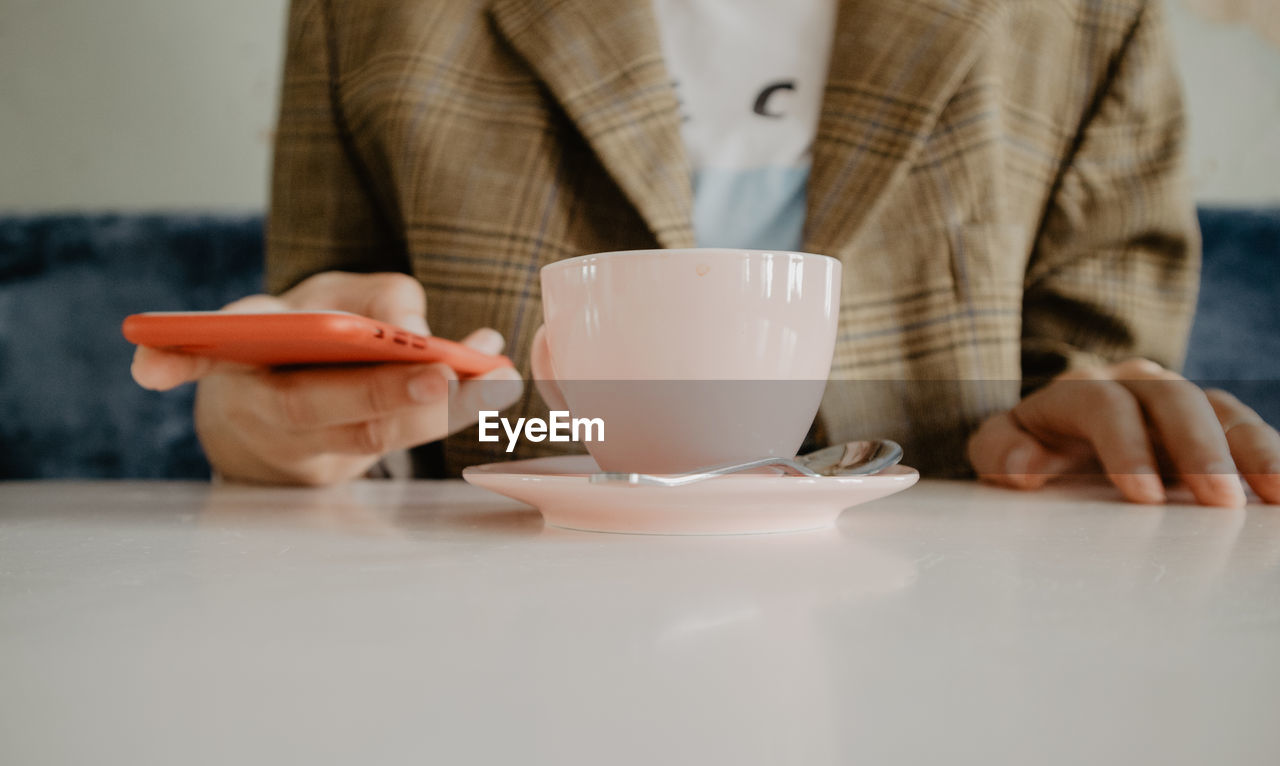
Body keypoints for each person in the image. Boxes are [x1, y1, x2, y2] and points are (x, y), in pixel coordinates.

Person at [132, 0, 1280, 506]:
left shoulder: (1083, 12)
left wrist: (1081, 432)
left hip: (945, 639)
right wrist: (276, 438)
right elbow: (330, 350)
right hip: (502, 639)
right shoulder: (368, 7)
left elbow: (1085, 377)